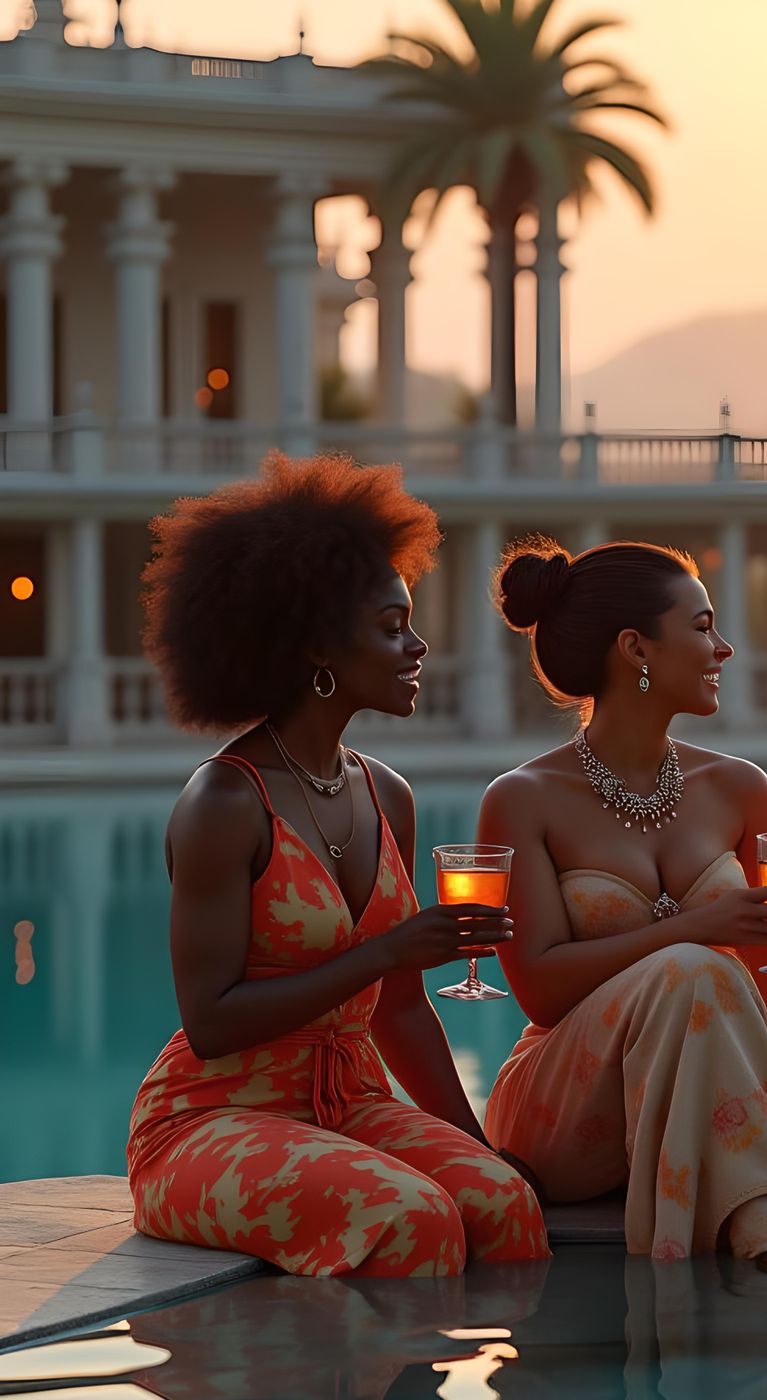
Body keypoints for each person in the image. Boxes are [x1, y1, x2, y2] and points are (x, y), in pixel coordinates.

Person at [128, 452, 549, 1277]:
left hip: (347, 1103)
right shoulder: (225, 802)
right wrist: (386, 951)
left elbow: (399, 1013)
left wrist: (477, 1146)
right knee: (413, 1218)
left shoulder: (385, 792)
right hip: (211, 1119)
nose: (418, 645)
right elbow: (210, 1021)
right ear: (318, 645)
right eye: (393, 627)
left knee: (502, 1207)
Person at [479, 535, 767, 1272]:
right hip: (567, 1107)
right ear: (637, 649)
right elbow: (540, 991)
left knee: (703, 973)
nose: (725, 648)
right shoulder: (523, 800)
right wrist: (699, 928)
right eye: (703, 627)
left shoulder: (739, 788)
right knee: (692, 970)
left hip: (707, 1091)